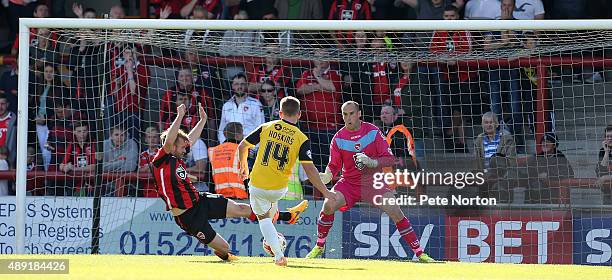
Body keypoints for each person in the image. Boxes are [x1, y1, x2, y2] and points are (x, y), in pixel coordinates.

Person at [153, 103, 307, 262]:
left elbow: (190, 139)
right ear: (172, 146)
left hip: (200, 201)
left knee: (244, 209)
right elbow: (169, 141)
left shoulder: (176, 157)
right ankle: (225, 255)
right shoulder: (160, 160)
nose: (186, 150)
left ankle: (288, 216)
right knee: (224, 249)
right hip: (187, 216)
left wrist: (203, 120)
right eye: (182, 147)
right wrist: (180, 116)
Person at [305, 101, 435, 262]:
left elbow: (389, 159)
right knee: (328, 204)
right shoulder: (338, 137)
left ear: (359, 114)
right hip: (349, 183)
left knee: (395, 210)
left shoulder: (373, 132)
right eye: (345, 114)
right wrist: (327, 175)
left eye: (351, 113)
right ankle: (319, 245)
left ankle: (420, 253)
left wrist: (372, 162)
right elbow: (334, 165)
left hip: (373, 182)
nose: (348, 117)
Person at [237, 96, 334, 266]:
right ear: (299, 115)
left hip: (258, 184)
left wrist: (244, 166)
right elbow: (310, 170)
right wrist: (326, 192)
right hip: (279, 189)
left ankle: (278, 255)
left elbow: (242, 146)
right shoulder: (301, 138)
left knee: (263, 219)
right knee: (270, 210)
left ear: (280, 113)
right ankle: (288, 217)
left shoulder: (266, 127)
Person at [524, 132, 574, 203]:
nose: (544, 144)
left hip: (555, 190)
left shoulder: (560, 158)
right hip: (536, 188)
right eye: (543, 142)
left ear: (554, 145)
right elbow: (529, 172)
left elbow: (569, 173)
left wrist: (548, 175)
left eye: (548, 142)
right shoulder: (537, 157)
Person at [218, 74, 265, 144]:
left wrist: (253, 149)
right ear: (232, 86)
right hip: (229, 147)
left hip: (248, 147)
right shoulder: (226, 105)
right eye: (236, 84)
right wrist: (224, 144)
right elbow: (221, 129)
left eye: (242, 84)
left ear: (246, 85)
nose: (239, 87)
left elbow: (261, 128)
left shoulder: (256, 104)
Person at [209, 122, 248, 199]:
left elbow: (209, 177)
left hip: (219, 197)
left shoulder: (213, 151)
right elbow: (247, 174)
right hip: (239, 196)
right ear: (238, 135)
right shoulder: (242, 150)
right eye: (242, 133)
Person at [59, 121, 97, 196]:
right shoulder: (72, 145)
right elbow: (62, 165)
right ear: (74, 132)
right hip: (75, 184)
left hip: (91, 184)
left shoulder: (93, 143)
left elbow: (95, 166)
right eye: (79, 131)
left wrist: (74, 169)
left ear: (88, 131)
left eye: (84, 131)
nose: (82, 134)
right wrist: (65, 168)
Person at [138, 126, 161, 198]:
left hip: (161, 192)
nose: (152, 139)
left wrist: (147, 167)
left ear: (159, 139)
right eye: (149, 137)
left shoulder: (163, 153)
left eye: (155, 137)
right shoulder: (142, 155)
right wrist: (152, 165)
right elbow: (139, 171)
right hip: (146, 192)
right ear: (145, 139)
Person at [596, 125, 612, 202]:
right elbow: (600, 171)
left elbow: (603, 176)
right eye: (607, 136)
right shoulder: (602, 151)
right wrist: (606, 152)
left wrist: (606, 177)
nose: (609, 138)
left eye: (611, 136)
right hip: (608, 193)